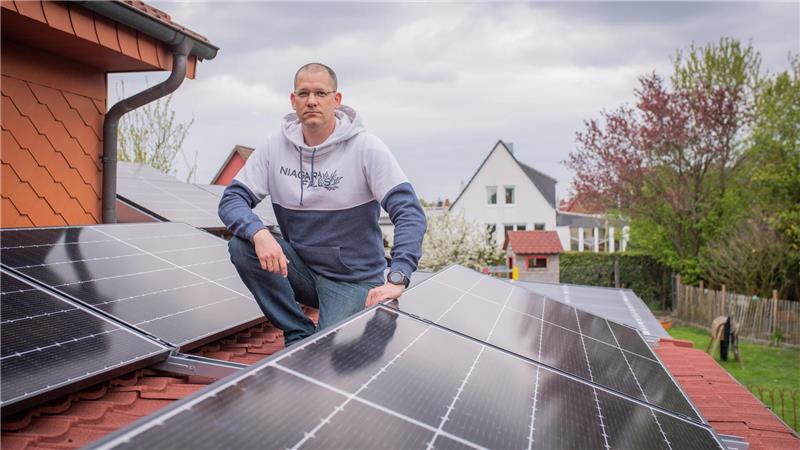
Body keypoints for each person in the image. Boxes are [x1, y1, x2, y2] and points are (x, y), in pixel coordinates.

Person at [219, 63, 426, 347]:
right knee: (242, 246)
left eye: (320, 93)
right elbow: (231, 200)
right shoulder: (274, 148)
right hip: (303, 272)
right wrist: (260, 233)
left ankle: (316, 342)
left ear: (336, 100)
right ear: (293, 101)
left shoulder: (366, 148)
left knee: (328, 358)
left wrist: (398, 277)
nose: (312, 101)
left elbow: (410, 214)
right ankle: (297, 330)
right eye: (303, 94)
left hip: (353, 281)